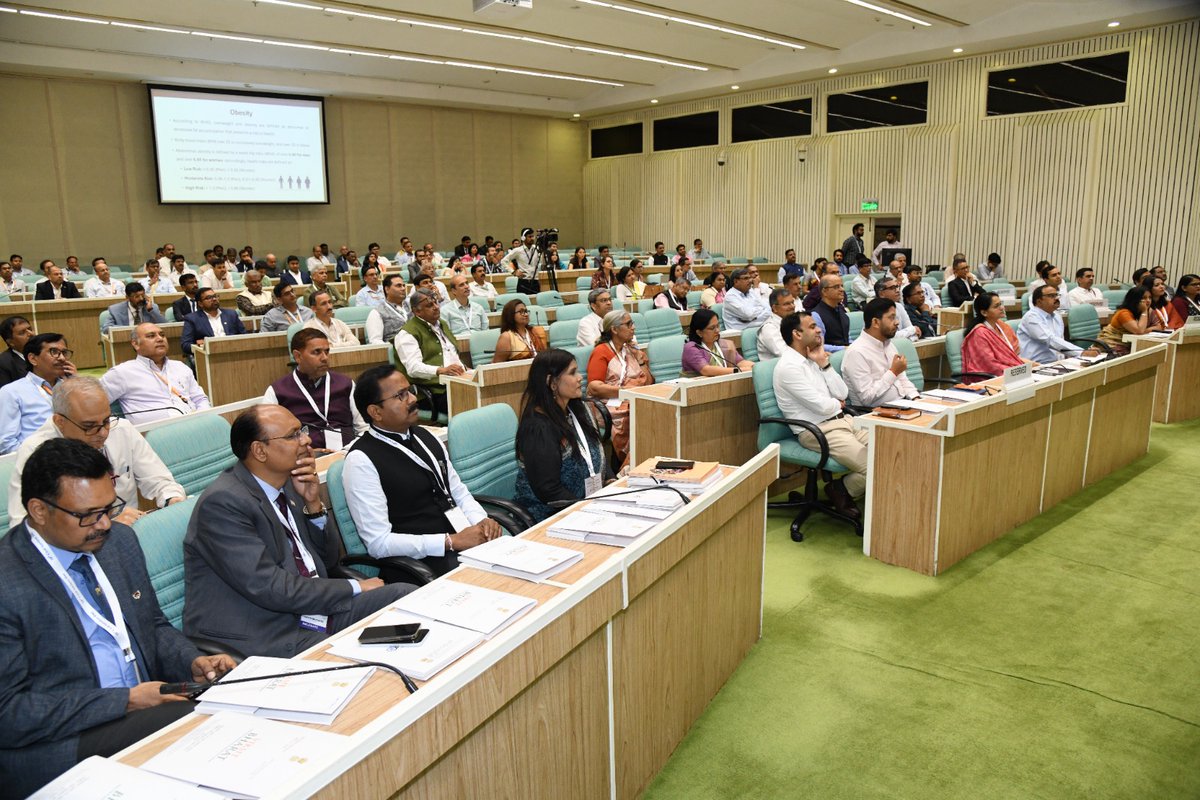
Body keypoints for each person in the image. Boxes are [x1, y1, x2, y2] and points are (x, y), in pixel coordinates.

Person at [0, 438, 234, 797]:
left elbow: (152, 627)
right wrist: (125, 701)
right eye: (88, 515)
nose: (105, 524)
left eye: (109, 508)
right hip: (57, 740)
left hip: (142, 705)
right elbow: (9, 713)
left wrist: (193, 661)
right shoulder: (7, 580)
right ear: (39, 510)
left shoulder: (119, 543)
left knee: (236, 701)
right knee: (193, 728)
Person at [183, 406, 413, 659]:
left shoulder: (287, 484)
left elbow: (326, 562)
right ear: (259, 451)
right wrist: (354, 588)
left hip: (311, 609)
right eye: (293, 435)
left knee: (405, 597)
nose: (306, 440)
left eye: (302, 430)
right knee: (355, 657)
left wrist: (314, 506)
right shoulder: (223, 504)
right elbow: (270, 588)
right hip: (267, 627)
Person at [341, 365, 500, 577]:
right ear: (375, 412)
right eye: (401, 395)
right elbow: (379, 543)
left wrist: (482, 521)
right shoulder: (361, 461)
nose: (413, 399)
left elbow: (457, 491)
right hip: (421, 565)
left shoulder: (426, 436)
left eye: (410, 390)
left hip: (461, 543)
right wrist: (449, 541)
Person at [9, 376, 186, 527]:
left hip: (132, 531)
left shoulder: (122, 429)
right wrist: (106, 523)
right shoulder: (35, 451)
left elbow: (160, 481)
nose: (103, 433)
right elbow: (23, 525)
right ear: (59, 421)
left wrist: (172, 499)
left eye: (106, 420)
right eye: (89, 426)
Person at [773, 312, 865, 518]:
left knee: (889, 449)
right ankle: (841, 489)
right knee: (873, 466)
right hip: (817, 430)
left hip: (843, 422)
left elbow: (842, 394)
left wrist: (825, 364)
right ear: (797, 333)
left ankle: (842, 488)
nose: (818, 330)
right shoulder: (789, 367)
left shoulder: (813, 359)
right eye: (812, 326)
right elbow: (822, 407)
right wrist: (836, 405)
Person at [514, 350, 607, 522]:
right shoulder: (538, 428)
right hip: (552, 517)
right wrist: (589, 511)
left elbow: (596, 450)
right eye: (572, 373)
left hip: (588, 505)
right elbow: (549, 490)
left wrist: (610, 482)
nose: (580, 377)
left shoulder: (579, 409)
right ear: (552, 382)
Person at [263, 329, 367, 452]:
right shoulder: (277, 391)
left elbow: (363, 427)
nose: (324, 358)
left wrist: (348, 450)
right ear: (298, 356)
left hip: (348, 453)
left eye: (327, 352)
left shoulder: (345, 384)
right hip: (303, 459)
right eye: (316, 352)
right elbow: (270, 438)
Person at [101, 323, 210, 422]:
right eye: (151, 336)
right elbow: (93, 404)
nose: (160, 339)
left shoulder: (180, 367)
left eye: (162, 335)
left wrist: (203, 417)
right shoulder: (122, 373)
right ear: (135, 344)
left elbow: (200, 399)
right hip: (156, 435)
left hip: (195, 423)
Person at [586, 311, 652, 465]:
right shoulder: (601, 351)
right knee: (641, 415)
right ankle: (629, 466)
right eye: (628, 324)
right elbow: (594, 387)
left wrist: (642, 362)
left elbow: (647, 383)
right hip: (608, 403)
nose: (633, 327)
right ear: (614, 329)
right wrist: (626, 391)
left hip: (633, 398)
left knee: (653, 409)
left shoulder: (629, 349)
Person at [0, 333, 76, 454]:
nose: (62, 358)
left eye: (64, 353)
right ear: (33, 359)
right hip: (37, 461)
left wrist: (77, 383)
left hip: (75, 455)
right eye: (54, 352)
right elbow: (6, 443)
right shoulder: (12, 392)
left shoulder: (71, 386)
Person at [395, 288, 465, 418]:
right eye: (429, 305)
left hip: (456, 382)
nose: (436, 307)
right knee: (469, 402)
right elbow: (413, 368)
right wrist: (440, 370)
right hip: (432, 393)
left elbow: (451, 354)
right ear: (417, 311)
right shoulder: (407, 334)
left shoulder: (441, 324)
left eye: (436, 303)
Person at [841, 298, 919, 407]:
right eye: (891, 318)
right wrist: (893, 372)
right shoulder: (856, 352)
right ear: (876, 322)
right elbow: (867, 398)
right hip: (875, 414)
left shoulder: (888, 344)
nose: (897, 322)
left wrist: (916, 399)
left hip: (902, 405)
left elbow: (902, 379)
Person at [1017, 285, 1087, 363]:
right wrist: (1081, 352)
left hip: (1056, 363)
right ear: (1039, 301)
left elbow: (1060, 340)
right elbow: (1050, 340)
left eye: (1056, 295)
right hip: (1036, 365)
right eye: (1051, 296)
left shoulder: (1056, 315)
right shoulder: (1031, 317)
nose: (1056, 298)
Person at [962, 292, 1025, 377]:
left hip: (1012, 373)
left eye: (1001, 304)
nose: (1002, 308)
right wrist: (1019, 370)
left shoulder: (1002, 326)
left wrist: (1026, 366)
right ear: (984, 312)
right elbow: (990, 365)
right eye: (996, 306)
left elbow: (1015, 356)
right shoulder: (979, 333)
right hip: (990, 378)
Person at [681, 307, 752, 378]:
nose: (717, 330)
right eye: (712, 328)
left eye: (718, 326)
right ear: (699, 332)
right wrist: (738, 370)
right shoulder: (691, 348)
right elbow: (706, 370)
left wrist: (755, 367)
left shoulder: (723, 344)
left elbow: (740, 362)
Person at [1098, 287, 1164, 354]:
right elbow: (1139, 331)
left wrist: (1144, 330)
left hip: (1129, 344)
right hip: (1112, 344)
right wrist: (1144, 312)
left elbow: (1159, 327)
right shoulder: (1123, 313)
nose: (1148, 300)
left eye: (1150, 298)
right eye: (1143, 298)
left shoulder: (1147, 310)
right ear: (1135, 300)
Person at [181, 288, 246, 356]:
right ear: (200, 303)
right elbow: (185, 345)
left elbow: (244, 336)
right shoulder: (192, 319)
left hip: (233, 352)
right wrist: (200, 345)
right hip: (209, 355)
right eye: (209, 298)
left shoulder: (231, 314)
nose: (214, 299)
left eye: (215, 296)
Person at [721, 267, 773, 332]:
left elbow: (768, 308)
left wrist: (753, 315)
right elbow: (748, 315)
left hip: (757, 326)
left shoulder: (750, 291)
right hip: (740, 333)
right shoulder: (730, 296)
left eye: (749, 278)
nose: (750, 281)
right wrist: (758, 311)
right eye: (746, 278)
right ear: (736, 281)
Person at [101, 282, 166, 334]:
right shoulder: (115, 310)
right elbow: (106, 328)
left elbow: (165, 325)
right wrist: (130, 329)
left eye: (142, 295)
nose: (141, 299)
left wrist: (151, 310)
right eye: (137, 296)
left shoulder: (152, 307)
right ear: (127, 297)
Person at [365, 274, 410, 344]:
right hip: (396, 350)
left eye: (403, 285)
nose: (403, 288)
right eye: (399, 286)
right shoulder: (377, 313)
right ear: (387, 289)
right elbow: (375, 341)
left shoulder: (412, 306)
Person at [501, 227, 544, 295]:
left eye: (533, 236)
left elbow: (543, 262)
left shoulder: (537, 249)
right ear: (523, 238)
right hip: (523, 282)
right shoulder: (518, 250)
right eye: (529, 237)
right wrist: (513, 272)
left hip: (535, 282)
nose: (532, 238)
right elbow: (503, 261)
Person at [813, 274, 852, 347]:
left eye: (842, 286)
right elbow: (819, 344)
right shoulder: (816, 315)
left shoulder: (841, 311)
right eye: (836, 287)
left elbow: (847, 338)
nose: (842, 289)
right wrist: (844, 348)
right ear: (824, 291)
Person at [756, 288, 795, 361]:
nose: (792, 306)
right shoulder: (769, 328)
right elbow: (784, 354)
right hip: (776, 369)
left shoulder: (792, 322)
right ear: (774, 308)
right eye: (786, 304)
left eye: (792, 302)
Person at [0, 315, 33, 389]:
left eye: (30, 329)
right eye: (22, 333)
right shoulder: (3, 363)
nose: (31, 334)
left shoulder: (43, 354)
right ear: (10, 342)